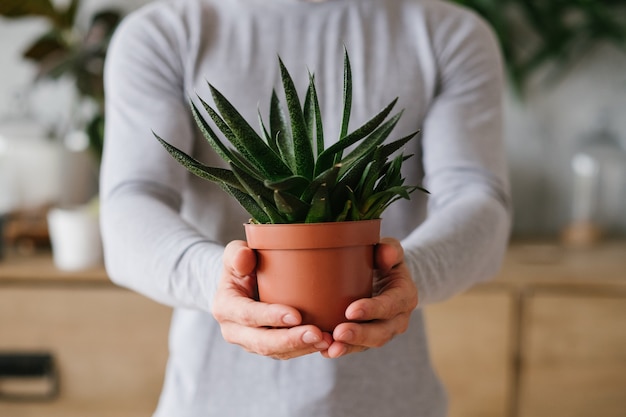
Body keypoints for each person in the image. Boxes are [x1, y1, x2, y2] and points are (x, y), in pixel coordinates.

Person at [100, 0, 512, 416]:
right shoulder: (165, 32)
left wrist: (407, 276)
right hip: (215, 400)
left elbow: (477, 195)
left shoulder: (448, 32)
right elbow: (130, 202)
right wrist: (218, 280)